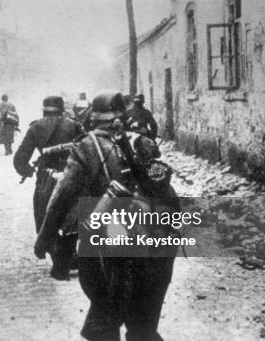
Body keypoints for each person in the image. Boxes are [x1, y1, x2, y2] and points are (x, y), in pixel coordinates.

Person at [34, 93, 177, 341]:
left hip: (107, 250)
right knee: (143, 327)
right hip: (155, 250)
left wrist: (44, 239)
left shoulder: (85, 148)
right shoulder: (143, 143)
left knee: (103, 325)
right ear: (123, 115)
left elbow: (62, 197)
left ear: (93, 118)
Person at [13, 95, 84, 280]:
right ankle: (70, 255)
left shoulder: (36, 127)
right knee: (72, 215)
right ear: (62, 109)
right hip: (72, 176)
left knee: (45, 215)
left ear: (44, 109)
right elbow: (85, 148)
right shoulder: (74, 125)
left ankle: (58, 257)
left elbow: (20, 159)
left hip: (47, 178)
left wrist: (27, 171)